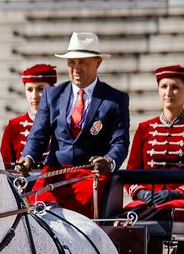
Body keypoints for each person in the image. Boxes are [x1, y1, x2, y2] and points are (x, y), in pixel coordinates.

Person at [17, 32, 130, 218]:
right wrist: (28, 157)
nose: (76, 68)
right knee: (33, 213)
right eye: (71, 63)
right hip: (54, 173)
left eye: (83, 62)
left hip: (91, 175)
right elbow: (37, 136)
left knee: (78, 219)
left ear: (97, 63)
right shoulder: (52, 95)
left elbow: (120, 143)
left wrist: (108, 161)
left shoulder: (115, 100)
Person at [123, 65, 184, 217]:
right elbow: (130, 173)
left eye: (175, 87)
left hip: (183, 201)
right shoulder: (144, 128)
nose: (168, 93)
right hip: (146, 200)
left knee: (169, 213)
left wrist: (176, 193)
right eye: (163, 87)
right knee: (126, 216)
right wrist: (141, 193)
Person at [0, 64, 56, 171]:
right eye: (29, 90)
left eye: (41, 89)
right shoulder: (14, 126)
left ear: (52, 90)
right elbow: (5, 167)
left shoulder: (63, 122)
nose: (34, 96)